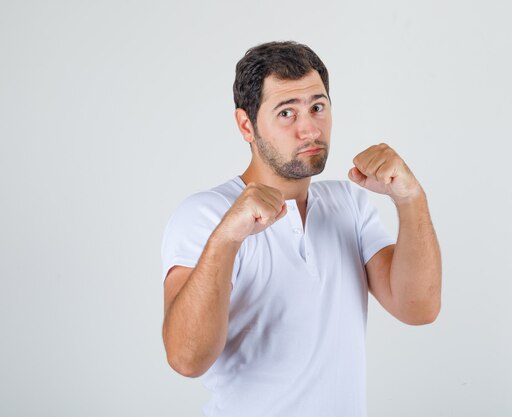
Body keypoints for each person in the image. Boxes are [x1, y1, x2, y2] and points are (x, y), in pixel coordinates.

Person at [160, 41, 442, 416]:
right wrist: (227, 238)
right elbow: (186, 358)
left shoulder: (350, 204)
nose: (309, 128)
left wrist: (410, 198)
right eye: (286, 113)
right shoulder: (207, 214)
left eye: (317, 107)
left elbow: (418, 307)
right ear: (246, 125)